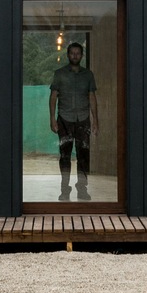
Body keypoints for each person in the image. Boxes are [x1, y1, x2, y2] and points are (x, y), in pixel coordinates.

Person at [49, 42, 99, 201]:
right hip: (64, 119)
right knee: (65, 155)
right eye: (72, 53)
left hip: (83, 120)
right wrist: (52, 118)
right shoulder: (59, 74)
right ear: (68, 55)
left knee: (83, 155)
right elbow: (53, 97)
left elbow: (92, 97)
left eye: (78, 53)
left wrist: (95, 120)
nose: (75, 56)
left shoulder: (88, 75)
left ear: (82, 55)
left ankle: (82, 189)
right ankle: (65, 190)